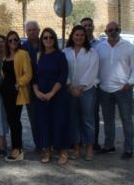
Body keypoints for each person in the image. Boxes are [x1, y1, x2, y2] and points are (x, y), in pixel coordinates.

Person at [95, 21, 134, 160]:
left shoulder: (129, 47)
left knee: (126, 119)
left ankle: (128, 148)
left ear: (119, 30)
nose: (113, 32)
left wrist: (130, 83)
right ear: (105, 31)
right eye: (110, 30)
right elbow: (95, 66)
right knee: (108, 120)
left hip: (123, 89)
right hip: (104, 89)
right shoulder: (100, 47)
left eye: (116, 29)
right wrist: (97, 82)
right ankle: (109, 145)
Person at [32, 28, 70, 165]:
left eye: (51, 37)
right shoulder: (38, 56)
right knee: (44, 123)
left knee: (59, 122)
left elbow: (63, 76)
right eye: (45, 38)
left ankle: (62, 151)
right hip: (41, 95)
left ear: (54, 39)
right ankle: (47, 149)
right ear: (42, 40)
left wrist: (52, 93)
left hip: (57, 95)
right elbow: (34, 77)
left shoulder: (60, 56)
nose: (48, 40)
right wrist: (37, 92)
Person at [63, 25, 99, 161]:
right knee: (73, 120)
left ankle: (89, 148)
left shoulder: (92, 53)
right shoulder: (65, 52)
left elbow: (92, 71)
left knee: (88, 120)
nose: (79, 37)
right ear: (72, 36)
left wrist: (80, 87)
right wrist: (71, 86)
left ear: (85, 37)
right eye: (76, 35)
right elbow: (63, 70)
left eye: (82, 35)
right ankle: (76, 148)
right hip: (70, 90)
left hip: (87, 90)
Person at [1, 31, 32, 162]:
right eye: (10, 40)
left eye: (15, 40)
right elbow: (4, 73)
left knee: (15, 121)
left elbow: (28, 74)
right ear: (7, 43)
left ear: (18, 41)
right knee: (11, 120)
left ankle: (17, 149)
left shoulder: (23, 54)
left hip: (16, 92)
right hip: (5, 92)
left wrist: (18, 84)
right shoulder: (5, 56)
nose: (13, 42)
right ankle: (16, 147)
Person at [81, 17, 102, 152]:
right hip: (77, 86)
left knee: (93, 115)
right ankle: (80, 141)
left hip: (93, 86)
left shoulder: (100, 45)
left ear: (93, 27)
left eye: (89, 25)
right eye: (85, 26)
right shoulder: (75, 45)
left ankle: (93, 142)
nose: (87, 27)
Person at [21, 20, 41, 150]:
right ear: (26, 32)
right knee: (34, 117)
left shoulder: (46, 43)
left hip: (46, 86)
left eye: (34, 29)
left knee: (48, 116)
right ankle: (39, 144)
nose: (32, 32)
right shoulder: (23, 48)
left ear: (39, 30)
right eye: (29, 30)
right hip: (30, 89)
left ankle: (50, 143)